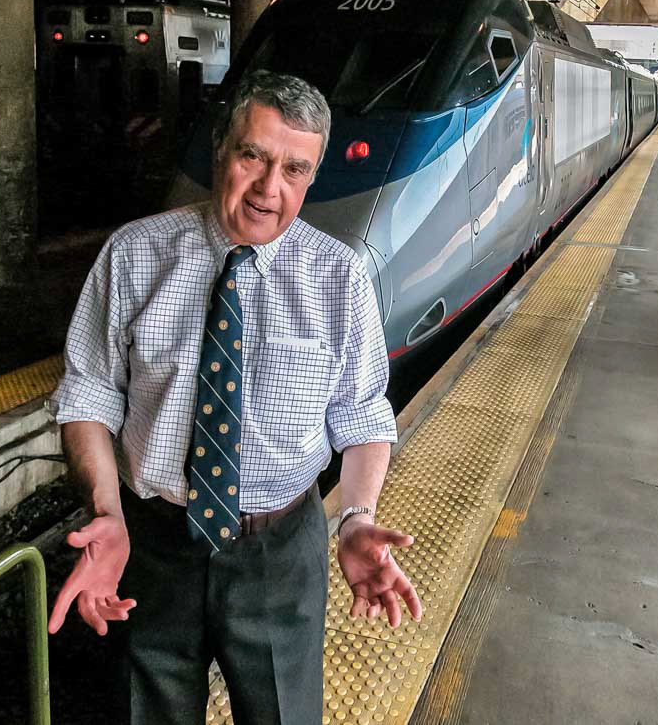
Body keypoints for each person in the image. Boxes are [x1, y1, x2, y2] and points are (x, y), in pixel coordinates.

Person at [47, 69, 422, 725]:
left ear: (312, 176)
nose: (269, 189)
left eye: (295, 170)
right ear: (220, 150)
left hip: (280, 550)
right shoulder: (135, 255)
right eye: (253, 155)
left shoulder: (340, 278)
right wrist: (105, 511)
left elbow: (361, 413)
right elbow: (89, 394)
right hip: (150, 545)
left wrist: (357, 517)